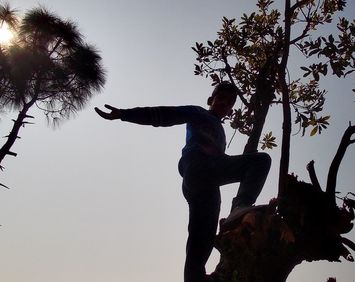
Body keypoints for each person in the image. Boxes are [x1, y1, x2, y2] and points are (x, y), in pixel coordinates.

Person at [95, 81, 271, 282]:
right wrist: (125, 114)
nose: (224, 103)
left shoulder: (220, 131)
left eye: (229, 102)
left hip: (204, 185)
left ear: (231, 109)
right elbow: (164, 115)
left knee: (201, 242)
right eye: (220, 98)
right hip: (198, 166)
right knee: (260, 160)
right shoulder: (199, 113)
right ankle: (241, 205)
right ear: (210, 100)